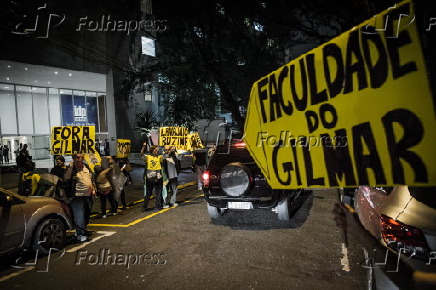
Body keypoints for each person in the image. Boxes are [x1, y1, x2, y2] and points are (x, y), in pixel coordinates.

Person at [64, 154, 95, 242]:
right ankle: (80, 234)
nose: (77, 159)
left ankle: (82, 230)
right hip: (77, 196)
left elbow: (90, 179)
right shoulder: (71, 168)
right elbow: (66, 178)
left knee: (87, 214)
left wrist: (93, 188)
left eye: (79, 157)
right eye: (75, 157)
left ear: (83, 158)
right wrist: (70, 167)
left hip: (88, 195)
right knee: (79, 215)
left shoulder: (86, 167)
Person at [141, 144, 164, 213]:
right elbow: (141, 155)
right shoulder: (147, 157)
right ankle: (144, 207)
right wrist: (144, 146)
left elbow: (166, 156)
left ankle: (157, 206)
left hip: (158, 177)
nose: (157, 151)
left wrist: (169, 150)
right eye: (155, 149)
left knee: (158, 193)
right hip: (150, 178)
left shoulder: (159, 157)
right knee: (148, 193)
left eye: (157, 149)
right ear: (152, 150)